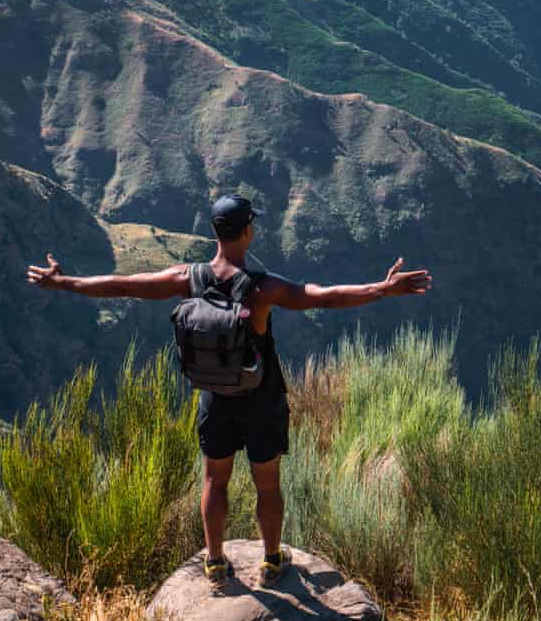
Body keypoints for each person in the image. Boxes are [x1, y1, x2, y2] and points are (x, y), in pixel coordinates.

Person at [27, 194, 432, 590]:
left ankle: (215, 561)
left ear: (215, 232)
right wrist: (382, 289)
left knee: (213, 482)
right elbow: (322, 298)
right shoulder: (262, 288)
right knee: (267, 484)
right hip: (261, 400)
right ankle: (272, 562)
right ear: (248, 232)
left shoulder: (187, 278)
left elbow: (122, 286)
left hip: (214, 399)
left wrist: (65, 282)